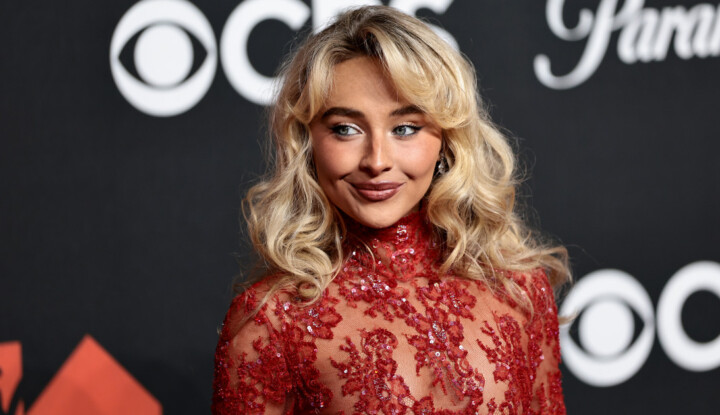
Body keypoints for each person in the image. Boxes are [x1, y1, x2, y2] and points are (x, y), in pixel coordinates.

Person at [212, 5, 570, 414]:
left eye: (405, 128)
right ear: (307, 142)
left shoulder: (520, 289)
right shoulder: (271, 320)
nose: (377, 160)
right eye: (346, 129)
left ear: (446, 139)